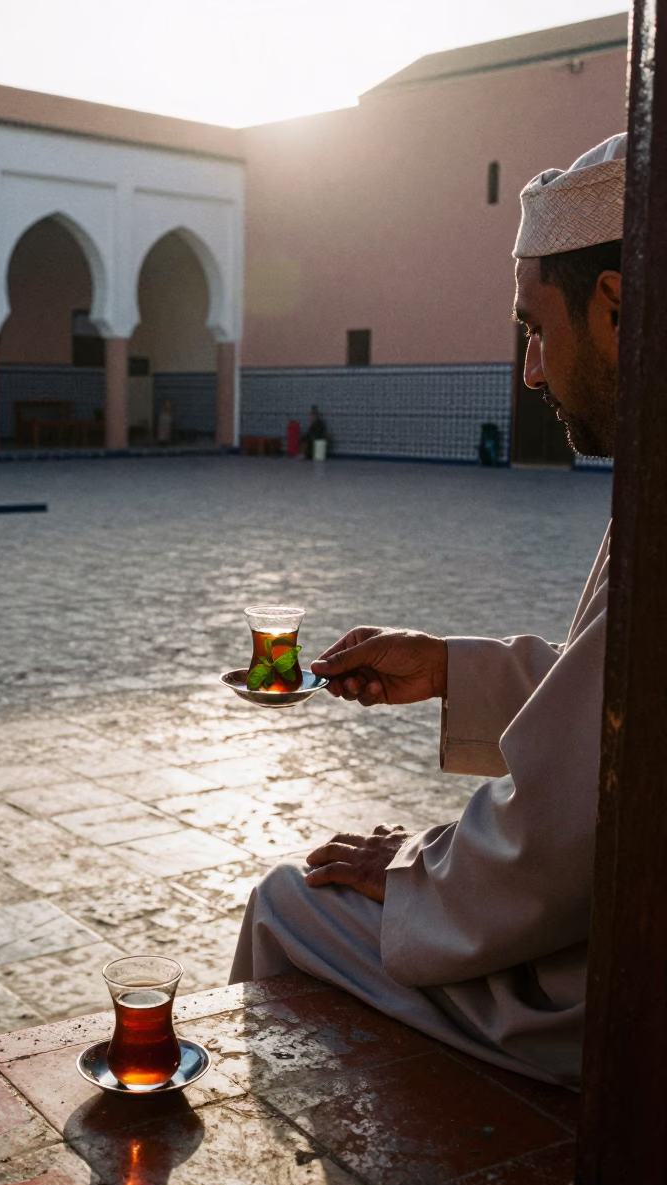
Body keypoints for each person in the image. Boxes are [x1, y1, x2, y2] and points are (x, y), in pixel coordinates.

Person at [230, 134, 627, 1089]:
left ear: (616, 306)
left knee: (291, 901)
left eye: (536, 327)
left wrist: (412, 869)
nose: (531, 371)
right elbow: (617, 703)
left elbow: (558, 834)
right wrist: (455, 668)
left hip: (608, 1000)